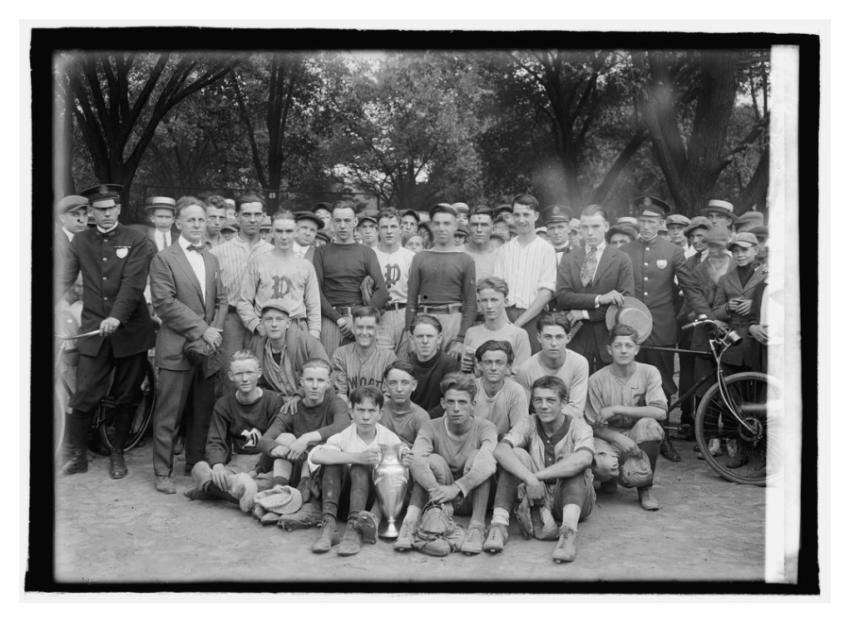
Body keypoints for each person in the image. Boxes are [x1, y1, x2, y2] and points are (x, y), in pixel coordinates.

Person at [59, 184, 156, 478]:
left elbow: (133, 284)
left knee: (126, 395)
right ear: (91, 212)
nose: (105, 214)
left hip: (130, 331)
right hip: (94, 329)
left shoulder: (137, 240)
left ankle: (117, 454)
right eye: (99, 210)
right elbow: (63, 278)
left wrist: (116, 317)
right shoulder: (81, 241)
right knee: (84, 393)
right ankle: (78, 456)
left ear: (118, 209)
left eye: (110, 209)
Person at [622, 196, 714, 461]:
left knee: (662, 382)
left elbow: (689, 288)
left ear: (661, 223)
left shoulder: (672, 251)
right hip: (629, 325)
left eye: (652, 221)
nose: (646, 226)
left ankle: (662, 437)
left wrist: (706, 315)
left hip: (661, 327)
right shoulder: (625, 250)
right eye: (642, 221)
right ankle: (631, 436)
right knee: (630, 379)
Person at [149, 196, 228, 494]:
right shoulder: (164, 259)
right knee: (169, 414)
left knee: (201, 410)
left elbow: (222, 299)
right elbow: (164, 303)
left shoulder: (211, 258)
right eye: (191, 220)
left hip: (207, 349)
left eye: (201, 219)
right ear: (178, 223)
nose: (197, 225)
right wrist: (203, 329)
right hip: (176, 348)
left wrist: (214, 329)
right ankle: (162, 471)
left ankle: (194, 464)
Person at [486, 375, 595, 563]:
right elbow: (500, 451)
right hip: (536, 497)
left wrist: (535, 477)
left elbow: (583, 459)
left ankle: (568, 535)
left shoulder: (579, 426)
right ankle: (499, 525)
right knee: (514, 455)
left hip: (574, 499)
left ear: (563, 402)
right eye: (538, 400)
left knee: (572, 464)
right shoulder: (529, 422)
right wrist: (530, 479)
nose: (543, 406)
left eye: (551, 400)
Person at [394, 373, 498, 555]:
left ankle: (476, 527)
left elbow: (489, 464)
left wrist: (456, 488)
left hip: (471, 495)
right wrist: (438, 492)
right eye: (451, 402)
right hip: (440, 496)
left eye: (462, 402)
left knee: (479, 458)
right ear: (443, 403)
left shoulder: (486, 427)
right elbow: (416, 459)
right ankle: (409, 524)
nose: (456, 408)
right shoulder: (431, 426)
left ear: (473, 404)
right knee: (432, 461)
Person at [307, 386, 408, 556]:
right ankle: (328, 527)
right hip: (341, 501)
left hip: (368, 508)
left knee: (361, 467)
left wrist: (403, 460)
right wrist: (357, 457)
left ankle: (354, 530)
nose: (366, 417)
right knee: (336, 461)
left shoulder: (389, 438)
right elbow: (317, 456)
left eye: (371, 411)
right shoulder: (343, 436)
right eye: (360, 410)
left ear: (380, 413)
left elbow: (399, 478)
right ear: (351, 412)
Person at [184, 351, 284, 511]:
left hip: (263, 462)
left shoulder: (273, 400)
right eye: (239, 374)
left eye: (249, 372)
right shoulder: (223, 404)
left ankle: (211, 490)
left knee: (272, 482)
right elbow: (215, 439)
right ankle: (238, 494)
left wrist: (255, 471)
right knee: (199, 468)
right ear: (231, 376)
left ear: (259, 373)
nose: (244, 379)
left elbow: (275, 438)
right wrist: (218, 465)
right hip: (238, 462)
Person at [585, 325, 667, 511]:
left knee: (650, 426)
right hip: (608, 436)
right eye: (618, 346)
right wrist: (618, 438)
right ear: (609, 349)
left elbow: (660, 411)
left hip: (637, 433)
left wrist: (617, 409)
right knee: (603, 466)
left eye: (628, 346)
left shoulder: (649, 372)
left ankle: (645, 487)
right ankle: (609, 478)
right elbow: (592, 424)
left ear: (636, 349)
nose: (623, 350)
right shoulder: (596, 380)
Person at [255, 357, 349, 504]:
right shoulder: (292, 407)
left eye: (320, 381)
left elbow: (343, 425)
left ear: (328, 383)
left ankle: (284, 497)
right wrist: (277, 448)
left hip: (318, 471)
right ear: (301, 382)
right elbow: (264, 440)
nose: (315, 386)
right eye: (310, 380)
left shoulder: (335, 403)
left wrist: (306, 438)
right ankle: (279, 492)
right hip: (291, 464)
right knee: (285, 438)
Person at [554, 205, 634, 373]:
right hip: (577, 338)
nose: (589, 233)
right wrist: (599, 299)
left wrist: (584, 313)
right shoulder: (569, 258)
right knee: (577, 383)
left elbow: (624, 302)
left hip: (608, 336)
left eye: (595, 226)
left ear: (606, 226)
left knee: (609, 385)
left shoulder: (621, 259)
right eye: (585, 227)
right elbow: (562, 297)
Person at [210, 194, 273, 396]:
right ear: (237, 216)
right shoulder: (219, 252)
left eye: (257, 214)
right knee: (231, 374)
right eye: (247, 214)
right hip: (231, 320)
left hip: (262, 321)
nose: (252, 219)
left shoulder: (273, 252)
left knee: (262, 374)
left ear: (264, 216)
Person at [312, 203, 388, 356]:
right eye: (338, 220)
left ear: (355, 222)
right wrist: (339, 319)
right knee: (331, 366)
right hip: (331, 320)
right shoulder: (321, 252)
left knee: (363, 367)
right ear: (332, 222)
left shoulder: (367, 253)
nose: (342, 226)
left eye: (347, 220)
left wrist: (360, 318)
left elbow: (382, 291)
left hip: (360, 320)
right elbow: (316, 292)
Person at [237, 211, 322, 341]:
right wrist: (255, 325)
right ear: (272, 232)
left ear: (296, 232)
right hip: (266, 328)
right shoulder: (258, 262)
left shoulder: (306, 266)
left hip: (296, 328)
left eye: (288, 231)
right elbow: (244, 301)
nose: (284, 236)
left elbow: (314, 305)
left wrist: (314, 333)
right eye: (279, 231)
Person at [405, 203, 477, 353]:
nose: (441, 228)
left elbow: (471, 304)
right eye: (437, 223)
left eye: (446, 223)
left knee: (452, 366)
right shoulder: (420, 258)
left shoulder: (466, 260)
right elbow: (411, 300)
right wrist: (410, 335)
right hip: (424, 319)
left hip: (453, 320)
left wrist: (461, 338)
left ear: (455, 226)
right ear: (431, 226)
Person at [493, 193, 557, 354]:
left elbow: (546, 293)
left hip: (533, 317)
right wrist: (506, 323)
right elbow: (497, 290)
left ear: (536, 216)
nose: (521, 220)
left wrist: (517, 325)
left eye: (526, 215)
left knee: (532, 364)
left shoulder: (547, 250)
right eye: (517, 215)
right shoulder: (504, 250)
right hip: (505, 316)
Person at [514, 313, 589, 420]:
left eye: (559, 337)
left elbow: (576, 409)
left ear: (568, 338)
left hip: (570, 422)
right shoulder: (525, 369)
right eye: (548, 337)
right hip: (537, 423)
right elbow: (522, 414)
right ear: (539, 338)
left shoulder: (579, 364)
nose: (554, 343)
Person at [712, 232, 767, 372]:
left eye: (744, 250)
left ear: (756, 250)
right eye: (735, 251)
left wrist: (755, 306)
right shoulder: (725, 279)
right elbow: (716, 313)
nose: (739, 255)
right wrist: (727, 307)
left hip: (758, 342)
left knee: (758, 382)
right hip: (733, 344)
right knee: (732, 383)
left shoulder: (768, 275)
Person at [250, 300, 328, 397]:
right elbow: (259, 384)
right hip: (278, 401)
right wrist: (276, 399)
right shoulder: (258, 348)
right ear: (262, 324)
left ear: (288, 323)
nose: (274, 324)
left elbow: (325, 372)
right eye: (269, 319)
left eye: (279, 319)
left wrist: (299, 396)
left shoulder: (306, 341)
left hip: (309, 398)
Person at [462, 277, 531, 373]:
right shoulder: (471, 333)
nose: (489, 306)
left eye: (494, 300)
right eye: (484, 300)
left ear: (505, 302)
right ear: (479, 303)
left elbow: (521, 374)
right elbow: (465, 372)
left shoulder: (519, 335)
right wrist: (467, 366)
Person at [373, 208, 416, 355]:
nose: (389, 231)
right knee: (382, 360)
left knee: (405, 361)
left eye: (393, 226)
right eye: (384, 227)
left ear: (401, 228)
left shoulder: (410, 257)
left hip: (404, 312)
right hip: (380, 314)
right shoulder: (370, 254)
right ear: (377, 229)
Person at [331, 306, 397, 397]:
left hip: (379, 406)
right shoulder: (341, 354)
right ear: (353, 329)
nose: (364, 332)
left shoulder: (389, 358)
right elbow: (340, 394)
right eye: (360, 327)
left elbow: (388, 396)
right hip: (348, 405)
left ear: (377, 330)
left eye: (369, 328)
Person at [471, 340, 529, 438]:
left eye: (499, 363)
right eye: (488, 362)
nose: (493, 368)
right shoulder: (469, 388)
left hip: (503, 442)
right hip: (473, 442)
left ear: (508, 366)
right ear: (479, 365)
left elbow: (520, 431)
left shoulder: (515, 391)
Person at [406, 314, 461, 417]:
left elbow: (450, 401)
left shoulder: (450, 365)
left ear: (439, 338)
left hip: (439, 421)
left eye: (430, 336)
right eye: (420, 336)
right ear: (411, 338)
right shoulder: (405, 366)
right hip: (411, 420)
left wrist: (424, 420)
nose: (425, 341)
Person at [379, 361, 431, 447]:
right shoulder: (378, 411)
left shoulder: (421, 416)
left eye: (405, 383)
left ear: (414, 385)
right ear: (385, 386)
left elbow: (423, 450)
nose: (399, 389)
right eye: (393, 383)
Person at [463, 206, 498, 280]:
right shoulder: (456, 253)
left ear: (493, 228)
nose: (479, 229)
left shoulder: (501, 255)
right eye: (474, 225)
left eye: (484, 225)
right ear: (468, 227)